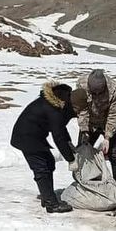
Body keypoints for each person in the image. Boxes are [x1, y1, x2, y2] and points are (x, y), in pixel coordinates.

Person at [10, 81, 77, 213]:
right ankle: (51, 204)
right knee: (41, 167)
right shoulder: (53, 110)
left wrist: (70, 146)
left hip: (33, 136)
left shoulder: (54, 103)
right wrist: (70, 158)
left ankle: (47, 196)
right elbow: (58, 136)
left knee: (49, 162)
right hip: (26, 138)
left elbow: (61, 130)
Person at [72, 69, 116, 196]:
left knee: (115, 153)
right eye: (93, 92)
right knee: (82, 151)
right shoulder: (82, 84)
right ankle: (82, 181)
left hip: (108, 121)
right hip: (90, 122)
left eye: (98, 92)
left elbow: (114, 114)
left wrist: (107, 137)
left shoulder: (112, 88)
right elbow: (82, 109)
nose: (95, 94)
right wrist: (84, 130)